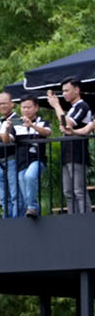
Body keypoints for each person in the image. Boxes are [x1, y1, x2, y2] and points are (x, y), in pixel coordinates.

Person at [48, 79, 94, 215]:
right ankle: (72, 219)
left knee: (79, 190)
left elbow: (67, 124)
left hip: (77, 153)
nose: (64, 94)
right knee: (68, 191)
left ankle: (85, 220)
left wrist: (56, 106)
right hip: (66, 153)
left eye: (67, 90)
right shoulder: (72, 108)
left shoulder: (82, 106)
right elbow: (64, 126)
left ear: (77, 90)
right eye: (63, 91)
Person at [6, 95, 51, 219]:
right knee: (25, 194)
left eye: (29, 107)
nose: (26, 110)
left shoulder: (42, 122)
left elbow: (47, 132)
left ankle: (33, 207)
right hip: (21, 162)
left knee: (30, 176)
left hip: (37, 159)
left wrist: (32, 126)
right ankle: (34, 214)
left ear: (36, 107)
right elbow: (8, 140)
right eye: (23, 107)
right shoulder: (16, 123)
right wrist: (6, 129)